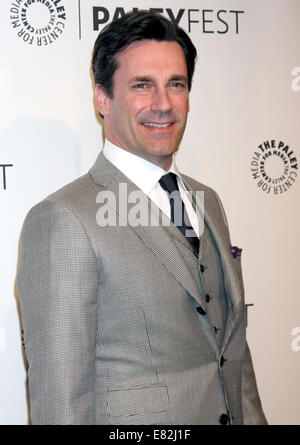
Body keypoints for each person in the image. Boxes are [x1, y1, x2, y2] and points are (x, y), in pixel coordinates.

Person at [17, 11, 267, 425]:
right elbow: (60, 404)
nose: (163, 104)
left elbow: (233, 360)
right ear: (102, 97)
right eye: (142, 86)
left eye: (176, 84)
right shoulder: (63, 219)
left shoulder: (209, 202)